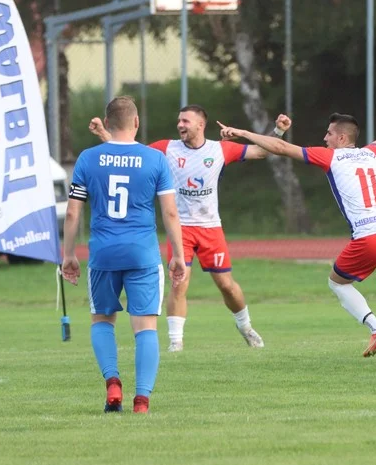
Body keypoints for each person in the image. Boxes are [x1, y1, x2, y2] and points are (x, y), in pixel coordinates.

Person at [217, 109, 376, 363]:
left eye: (329, 133)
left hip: (370, 235)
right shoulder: (369, 153)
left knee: (337, 283)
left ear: (341, 138)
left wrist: (242, 132)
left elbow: (281, 147)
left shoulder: (331, 157)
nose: (325, 138)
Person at [90, 105, 276, 352]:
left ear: (201, 124)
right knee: (179, 283)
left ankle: (245, 327)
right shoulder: (167, 148)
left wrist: (279, 131)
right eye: (179, 121)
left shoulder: (219, 149)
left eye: (186, 121)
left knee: (226, 285)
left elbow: (262, 152)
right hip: (181, 228)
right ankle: (176, 343)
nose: (180, 125)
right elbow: (132, 154)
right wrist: (104, 133)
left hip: (211, 228)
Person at [61, 96, 187, 413]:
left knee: (102, 321)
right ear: (136, 123)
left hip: (103, 253)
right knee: (145, 327)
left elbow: (73, 214)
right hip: (142, 254)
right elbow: (170, 213)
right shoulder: (155, 160)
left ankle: (113, 382)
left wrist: (68, 255)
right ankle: (142, 399)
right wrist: (178, 256)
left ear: (109, 122)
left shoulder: (88, 159)